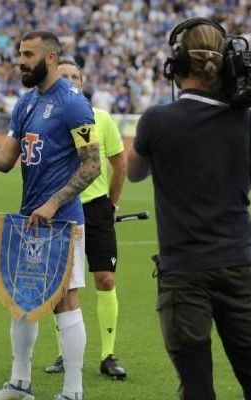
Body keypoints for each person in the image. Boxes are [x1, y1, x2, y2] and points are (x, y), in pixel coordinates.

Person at [0, 31, 100, 400]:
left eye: (28, 54)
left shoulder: (73, 104)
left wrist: (54, 203)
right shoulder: (25, 103)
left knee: (66, 301)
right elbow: (7, 159)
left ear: (51, 57)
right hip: (29, 219)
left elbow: (92, 165)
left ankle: (73, 392)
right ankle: (19, 384)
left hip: (63, 220)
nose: (20, 61)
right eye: (20, 54)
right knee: (23, 301)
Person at [128, 18, 251, 400]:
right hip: (241, 264)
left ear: (177, 64)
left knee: (196, 387)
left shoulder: (157, 120)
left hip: (184, 271)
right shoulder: (244, 120)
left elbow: (134, 172)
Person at [45, 59, 127, 379]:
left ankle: (108, 355)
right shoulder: (49, 119)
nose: (68, 80)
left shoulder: (102, 119)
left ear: (82, 82)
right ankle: (64, 353)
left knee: (105, 279)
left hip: (95, 209)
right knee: (62, 286)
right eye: (62, 75)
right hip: (62, 209)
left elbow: (119, 164)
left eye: (73, 76)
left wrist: (112, 204)